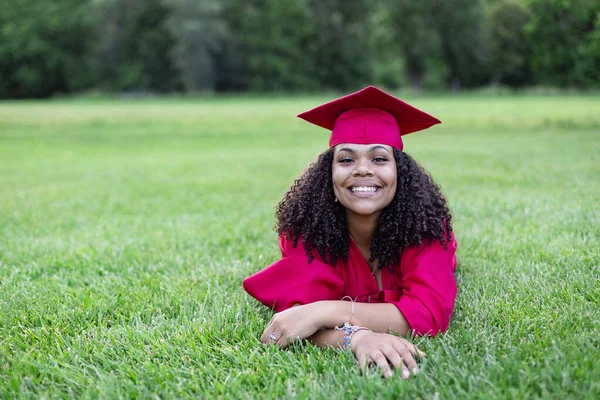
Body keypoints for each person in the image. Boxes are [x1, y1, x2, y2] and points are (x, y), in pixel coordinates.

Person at [243, 86, 457, 379]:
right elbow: (297, 320)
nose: (363, 170)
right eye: (346, 159)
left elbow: (430, 314)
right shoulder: (308, 231)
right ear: (328, 174)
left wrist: (324, 312)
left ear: (400, 172)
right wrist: (357, 338)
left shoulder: (426, 227)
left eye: (379, 159)